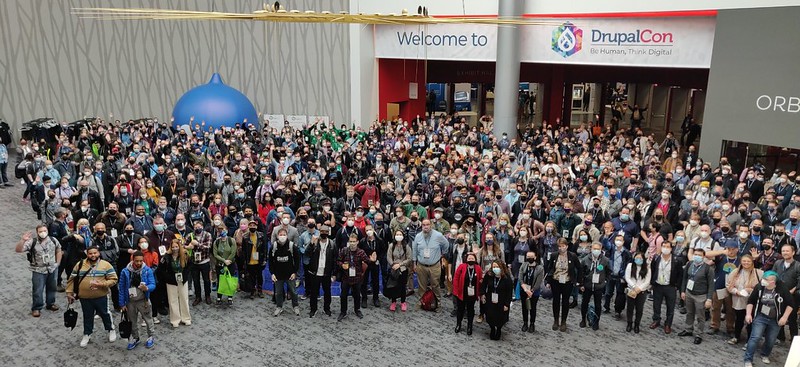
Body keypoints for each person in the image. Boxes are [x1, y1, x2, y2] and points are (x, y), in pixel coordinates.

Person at [66, 246, 119, 347]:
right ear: (87, 254)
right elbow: (72, 278)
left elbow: (114, 279)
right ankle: (87, 334)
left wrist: (102, 284)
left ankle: (110, 329)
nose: (93, 255)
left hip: (101, 295)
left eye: (95, 253)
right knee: (87, 315)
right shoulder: (80, 264)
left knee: (105, 313)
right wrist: (69, 292)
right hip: (84, 297)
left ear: (98, 253)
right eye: (90, 253)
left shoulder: (106, 265)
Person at [743, 271, 795, 367]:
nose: (763, 281)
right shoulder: (759, 287)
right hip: (761, 316)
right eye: (763, 278)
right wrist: (748, 314)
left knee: (771, 340)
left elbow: (790, 305)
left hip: (775, 319)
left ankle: (765, 354)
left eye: (766, 280)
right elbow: (751, 301)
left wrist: (784, 317)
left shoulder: (782, 288)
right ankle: (748, 359)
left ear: (773, 282)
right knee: (755, 337)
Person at [15, 225, 62, 317]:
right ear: (37, 232)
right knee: (38, 290)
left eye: (45, 230)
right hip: (38, 269)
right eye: (40, 231)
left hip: (52, 268)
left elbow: (58, 250)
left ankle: (50, 303)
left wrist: (58, 263)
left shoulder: (53, 240)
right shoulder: (32, 242)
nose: (43, 232)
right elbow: (18, 250)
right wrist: (23, 240)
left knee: (52, 287)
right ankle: (37, 307)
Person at [118, 251, 156, 350]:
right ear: (132, 260)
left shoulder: (147, 270)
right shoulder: (125, 271)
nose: (139, 263)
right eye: (136, 261)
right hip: (130, 301)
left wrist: (147, 288)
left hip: (143, 300)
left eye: (141, 261)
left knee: (148, 319)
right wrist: (122, 303)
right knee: (132, 321)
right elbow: (121, 288)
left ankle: (151, 336)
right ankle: (135, 338)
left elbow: (153, 284)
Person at [679, 248, 715, 344]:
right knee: (689, 313)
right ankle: (688, 329)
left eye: (699, 255)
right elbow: (685, 278)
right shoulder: (689, 264)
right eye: (695, 254)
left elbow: (711, 285)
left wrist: (709, 299)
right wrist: (682, 291)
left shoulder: (708, 269)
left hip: (701, 295)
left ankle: (699, 334)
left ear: (703, 257)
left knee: (700, 316)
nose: (697, 256)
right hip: (689, 293)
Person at [545, 238, 581, 332]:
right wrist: (548, 281)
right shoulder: (554, 255)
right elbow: (549, 269)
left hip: (567, 282)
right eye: (559, 246)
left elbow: (579, 268)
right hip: (555, 281)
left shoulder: (572, 256)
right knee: (556, 301)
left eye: (563, 246)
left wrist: (578, 281)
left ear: (567, 246)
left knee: (565, 302)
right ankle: (556, 320)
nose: (561, 248)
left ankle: (564, 321)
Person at [726, 254, 763, 345]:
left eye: (748, 261)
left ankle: (749, 340)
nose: (746, 263)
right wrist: (736, 292)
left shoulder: (759, 273)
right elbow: (728, 285)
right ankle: (736, 337)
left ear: (752, 262)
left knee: (750, 321)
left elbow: (763, 287)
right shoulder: (735, 272)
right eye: (744, 261)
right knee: (739, 319)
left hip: (752, 301)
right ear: (741, 262)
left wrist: (751, 290)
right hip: (739, 300)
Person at [412, 219, 449, 306]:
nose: (425, 226)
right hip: (421, 265)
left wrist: (442, 254)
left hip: (434, 265)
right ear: (422, 226)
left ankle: (438, 303)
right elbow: (414, 250)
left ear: (431, 225)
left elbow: (446, 244)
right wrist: (414, 263)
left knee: (435, 285)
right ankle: (422, 301)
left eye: (427, 224)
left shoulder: (438, 235)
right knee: (421, 285)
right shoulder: (418, 236)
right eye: (424, 225)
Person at [650, 241, 683, 334]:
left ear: (671, 249)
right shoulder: (656, 258)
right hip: (658, 285)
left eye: (667, 247)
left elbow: (680, 274)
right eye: (663, 246)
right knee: (656, 304)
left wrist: (677, 286)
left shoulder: (677, 260)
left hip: (670, 286)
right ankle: (656, 320)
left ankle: (668, 324)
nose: (665, 248)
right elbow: (652, 270)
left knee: (670, 307)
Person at [304, 225, 336, 317]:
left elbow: (335, 260)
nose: (324, 233)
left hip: (327, 272)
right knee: (313, 292)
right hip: (314, 272)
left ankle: (327, 309)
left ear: (328, 233)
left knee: (327, 292)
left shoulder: (332, 244)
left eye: (326, 231)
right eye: (322, 231)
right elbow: (307, 254)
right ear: (319, 232)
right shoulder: (314, 242)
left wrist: (334, 274)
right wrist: (311, 244)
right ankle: (313, 309)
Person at [269, 227, 301, 316]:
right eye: (280, 235)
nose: (282, 236)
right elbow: (270, 261)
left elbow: (297, 260)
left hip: (290, 274)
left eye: (284, 235)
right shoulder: (274, 246)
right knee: (278, 292)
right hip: (278, 275)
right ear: (277, 236)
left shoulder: (291, 246)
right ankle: (279, 307)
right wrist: (272, 273)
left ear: (287, 236)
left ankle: (295, 306)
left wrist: (295, 272)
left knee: (293, 291)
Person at [337, 234, 368, 321]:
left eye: (354, 241)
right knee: (343, 295)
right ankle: (343, 311)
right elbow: (338, 260)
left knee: (357, 295)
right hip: (345, 277)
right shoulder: (344, 250)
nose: (352, 243)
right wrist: (342, 265)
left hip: (357, 278)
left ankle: (357, 309)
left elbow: (367, 261)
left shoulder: (361, 252)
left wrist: (372, 259)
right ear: (348, 242)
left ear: (357, 242)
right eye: (350, 241)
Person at [579, 242, 610, 330]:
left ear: (601, 250)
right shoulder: (585, 259)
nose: (596, 251)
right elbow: (581, 273)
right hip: (587, 285)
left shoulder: (605, 260)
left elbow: (608, 272)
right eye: (594, 249)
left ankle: (596, 322)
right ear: (591, 249)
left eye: (598, 249)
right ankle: (583, 319)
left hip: (598, 286)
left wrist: (605, 281)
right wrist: (581, 284)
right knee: (584, 303)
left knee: (598, 304)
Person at [161, 239, 191, 327]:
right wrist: (168, 278)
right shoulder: (166, 256)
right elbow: (161, 269)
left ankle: (186, 318)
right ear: (170, 247)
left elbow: (189, 266)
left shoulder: (185, 255)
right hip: (171, 281)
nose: (175, 249)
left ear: (179, 246)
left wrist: (185, 276)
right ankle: (175, 320)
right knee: (172, 300)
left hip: (182, 280)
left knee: (184, 299)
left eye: (176, 247)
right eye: (173, 247)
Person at [480, 260, 513, 341]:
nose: (495, 268)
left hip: (502, 300)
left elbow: (509, 293)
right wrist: (483, 294)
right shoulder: (489, 275)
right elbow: (484, 285)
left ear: (501, 267)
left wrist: (507, 304)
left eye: (497, 267)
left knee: (500, 316)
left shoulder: (507, 278)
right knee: (490, 315)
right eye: (494, 267)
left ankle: (498, 329)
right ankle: (492, 328)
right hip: (490, 299)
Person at [187, 220, 213, 305]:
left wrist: (197, 244)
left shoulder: (207, 235)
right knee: (196, 280)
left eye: (199, 227)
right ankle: (198, 297)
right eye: (195, 227)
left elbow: (208, 247)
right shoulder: (190, 235)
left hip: (205, 261)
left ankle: (207, 295)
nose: (197, 228)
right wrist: (188, 246)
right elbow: (183, 245)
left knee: (206, 280)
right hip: (194, 262)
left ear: (202, 226)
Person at [624, 252, 651, 333]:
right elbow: (627, 278)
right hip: (631, 290)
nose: (638, 260)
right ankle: (629, 323)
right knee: (630, 308)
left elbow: (647, 281)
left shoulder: (647, 268)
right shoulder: (630, 266)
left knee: (639, 309)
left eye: (640, 258)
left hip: (641, 291)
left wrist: (639, 288)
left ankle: (637, 324)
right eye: (637, 258)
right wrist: (634, 287)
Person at [386, 230, 412, 312]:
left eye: (400, 234)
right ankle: (393, 302)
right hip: (394, 269)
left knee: (402, 286)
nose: (398, 236)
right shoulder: (391, 246)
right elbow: (389, 257)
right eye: (397, 234)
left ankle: (403, 302)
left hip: (403, 269)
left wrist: (400, 264)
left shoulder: (406, 246)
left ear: (403, 236)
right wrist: (393, 265)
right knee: (394, 286)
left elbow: (409, 259)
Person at [518, 250, 544, 333]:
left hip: (534, 291)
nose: (529, 258)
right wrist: (526, 289)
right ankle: (525, 322)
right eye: (528, 257)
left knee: (532, 308)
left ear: (535, 257)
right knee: (524, 307)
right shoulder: (523, 265)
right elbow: (520, 278)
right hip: (524, 290)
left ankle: (532, 323)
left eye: (531, 257)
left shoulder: (540, 268)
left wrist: (531, 291)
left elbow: (538, 282)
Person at [242, 219, 267, 300]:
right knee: (251, 277)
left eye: (254, 225)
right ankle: (252, 290)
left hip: (258, 260)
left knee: (259, 276)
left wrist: (264, 259)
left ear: (256, 226)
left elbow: (264, 249)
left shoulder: (261, 235)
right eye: (251, 225)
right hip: (250, 260)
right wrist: (245, 261)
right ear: (248, 226)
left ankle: (260, 290)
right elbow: (244, 250)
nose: (252, 227)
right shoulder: (245, 237)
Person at [212, 226, 237, 305]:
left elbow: (233, 252)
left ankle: (230, 297)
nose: (222, 231)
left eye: (223, 229)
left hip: (230, 264)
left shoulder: (231, 240)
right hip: (220, 264)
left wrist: (228, 261)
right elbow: (215, 254)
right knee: (220, 281)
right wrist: (224, 261)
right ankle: (219, 297)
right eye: (219, 230)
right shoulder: (216, 242)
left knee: (230, 280)